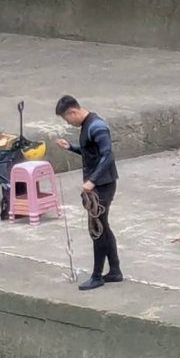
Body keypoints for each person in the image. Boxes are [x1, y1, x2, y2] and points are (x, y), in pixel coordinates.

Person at [55, 96, 122, 291]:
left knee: (97, 229)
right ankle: (115, 270)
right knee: (103, 226)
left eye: (67, 119)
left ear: (73, 112)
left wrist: (92, 181)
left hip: (103, 185)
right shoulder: (87, 125)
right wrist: (71, 147)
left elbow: (107, 155)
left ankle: (97, 275)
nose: (69, 123)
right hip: (98, 184)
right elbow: (91, 153)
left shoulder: (96, 126)